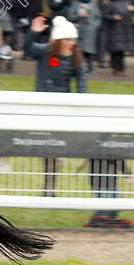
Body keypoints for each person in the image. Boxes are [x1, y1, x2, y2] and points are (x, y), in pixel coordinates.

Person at [27, 15, 86, 197]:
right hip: (43, 107)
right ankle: (48, 187)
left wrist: (80, 103)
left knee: (56, 149)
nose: (71, 43)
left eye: (73, 40)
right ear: (59, 40)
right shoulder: (46, 51)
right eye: (68, 39)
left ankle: (50, 188)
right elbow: (29, 50)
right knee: (45, 147)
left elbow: (82, 82)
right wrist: (33, 33)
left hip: (62, 108)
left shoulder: (77, 56)